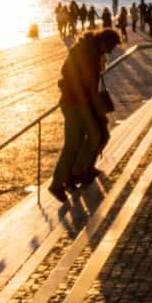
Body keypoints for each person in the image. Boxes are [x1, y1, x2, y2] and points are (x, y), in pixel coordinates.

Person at [49, 26, 120, 201]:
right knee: (74, 142)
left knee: (91, 136)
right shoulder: (87, 52)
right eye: (110, 48)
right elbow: (86, 82)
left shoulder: (92, 50)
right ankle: (58, 184)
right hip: (74, 103)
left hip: (80, 102)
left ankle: (78, 172)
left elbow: (75, 75)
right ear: (105, 42)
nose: (110, 52)